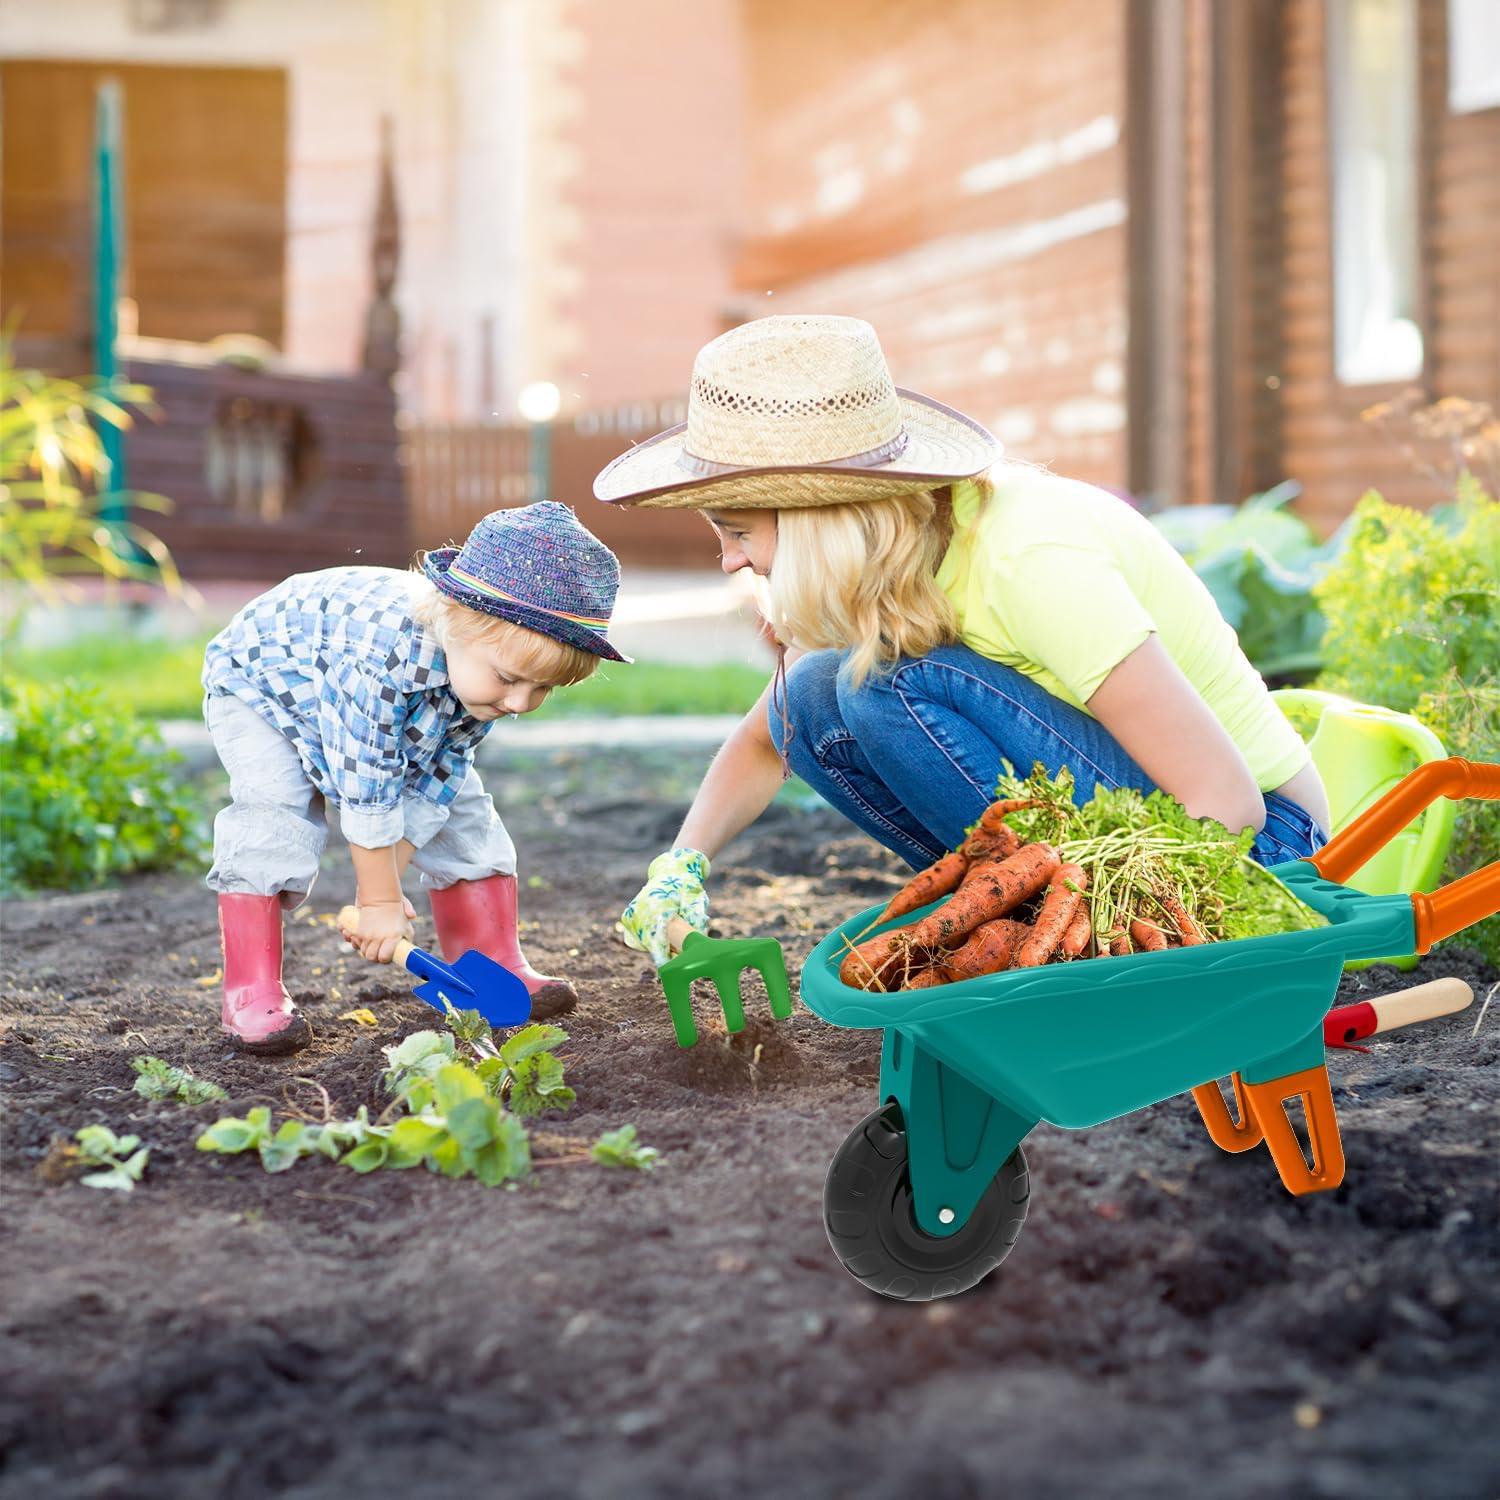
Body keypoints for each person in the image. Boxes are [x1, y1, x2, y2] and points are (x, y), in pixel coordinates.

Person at [596, 314, 1331, 965]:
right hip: (1154, 832)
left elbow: (1227, 803)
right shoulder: (912, 553)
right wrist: (679, 868)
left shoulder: (1027, 558)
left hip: (1256, 857)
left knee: (881, 684)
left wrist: (1139, 935)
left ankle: (1071, 938)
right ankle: (1016, 925)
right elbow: (769, 737)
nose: (730, 562)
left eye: (738, 533)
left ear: (821, 522)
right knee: (815, 693)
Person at [201, 502, 629, 1053]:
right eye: (509, 679)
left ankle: (490, 962)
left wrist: (380, 886)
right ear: (453, 619)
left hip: (364, 701)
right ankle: (250, 991)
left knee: (466, 815)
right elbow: (367, 783)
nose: (521, 702)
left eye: (543, 688)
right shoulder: (376, 659)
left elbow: (436, 783)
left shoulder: (480, 680)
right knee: (275, 814)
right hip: (266, 690)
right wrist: (379, 903)